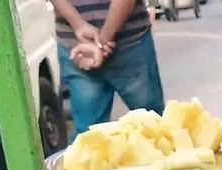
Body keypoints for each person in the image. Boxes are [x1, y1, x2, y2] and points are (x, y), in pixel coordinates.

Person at [51, 0, 166, 139]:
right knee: (153, 128)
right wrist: (101, 39)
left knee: (89, 136)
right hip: (120, 43)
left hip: (82, 44)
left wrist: (82, 28)